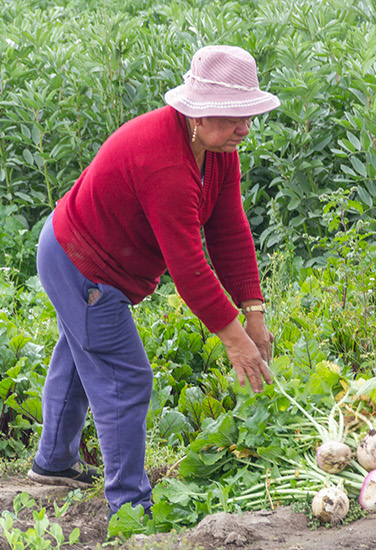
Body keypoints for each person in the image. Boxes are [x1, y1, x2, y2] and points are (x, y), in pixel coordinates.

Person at [30, 45, 280, 515]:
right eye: (234, 117)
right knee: (126, 377)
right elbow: (188, 265)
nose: (245, 128)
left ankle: (53, 463)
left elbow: (228, 229)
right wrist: (233, 339)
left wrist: (254, 312)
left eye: (249, 115)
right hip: (81, 263)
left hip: (82, 255)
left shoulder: (217, 148)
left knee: (82, 356)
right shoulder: (164, 162)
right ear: (196, 113)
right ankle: (131, 504)